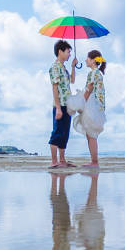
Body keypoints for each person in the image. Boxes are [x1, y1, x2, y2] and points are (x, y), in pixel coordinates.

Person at [48, 40, 78, 168]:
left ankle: (62, 160)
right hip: (60, 105)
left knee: (65, 133)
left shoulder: (63, 67)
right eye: (68, 52)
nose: (69, 54)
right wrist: (59, 108)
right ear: (60, 52)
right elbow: (54, 88)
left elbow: (72, 80)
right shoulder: (55, 67)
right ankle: (54, 161)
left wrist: (73, 66)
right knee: (58, 132)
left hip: (68, 104)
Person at [77, 50, 107, 168]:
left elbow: (88, 90)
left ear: (93, 60)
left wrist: (81, 104)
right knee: (92, 134)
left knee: (91, 134)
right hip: (99, 107)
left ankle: (94, 162)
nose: (85, 60)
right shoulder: (99, 73)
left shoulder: (93, 73)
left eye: (87, 58)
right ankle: (94, 161)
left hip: (92, 106)